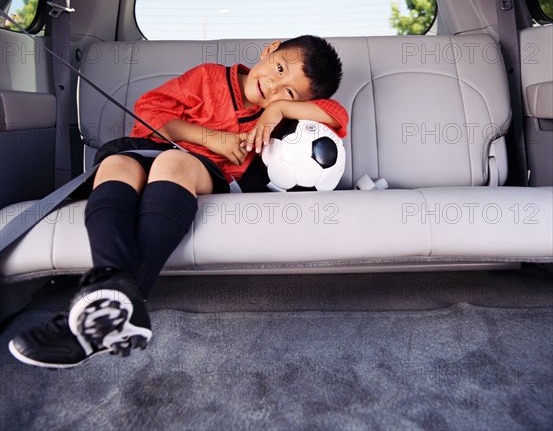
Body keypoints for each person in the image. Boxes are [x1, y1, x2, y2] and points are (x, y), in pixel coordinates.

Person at [8, 35, 348, 368]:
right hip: (148, 150)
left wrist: (278, 110)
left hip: (201, 171)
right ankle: (112, 300)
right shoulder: (209, 77)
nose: (273, 87)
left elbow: (336, 115)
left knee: (174, 163)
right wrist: (209, 136)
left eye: (288, 90)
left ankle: (98, 302)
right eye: (277, 68)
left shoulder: (279, 119)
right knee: (114, 165)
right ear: (270, 49)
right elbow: (149, 110)